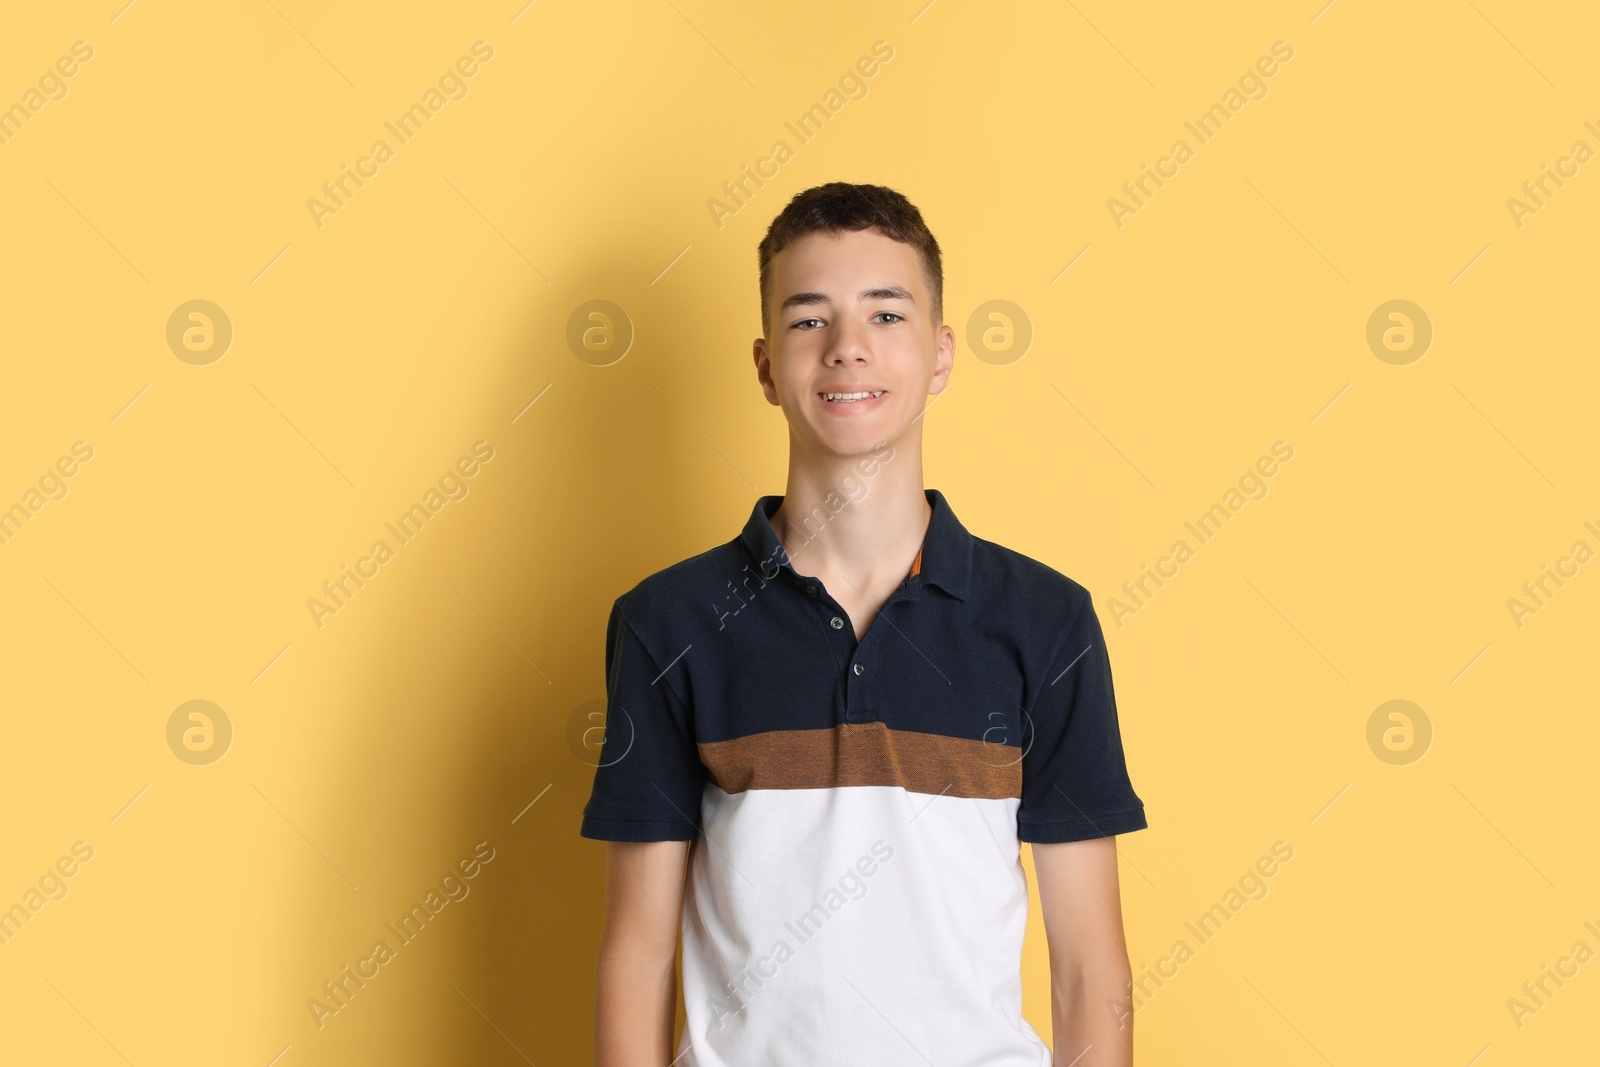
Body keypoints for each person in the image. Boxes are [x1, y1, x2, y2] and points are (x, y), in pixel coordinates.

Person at [581, 181, 1148, 1066]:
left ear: (941, 355)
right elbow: (637, 956)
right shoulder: (669, 621)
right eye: (810, 321)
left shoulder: (1046, 620)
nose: (848, 348)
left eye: (887, 315)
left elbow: (1089, 969)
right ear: (767, 366)